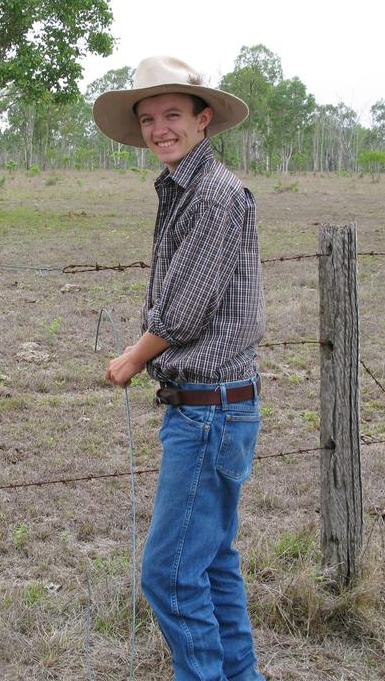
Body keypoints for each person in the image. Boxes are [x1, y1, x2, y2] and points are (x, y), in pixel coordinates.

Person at [94, 56, 266, 681]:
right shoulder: (180, 189)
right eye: (148, 119)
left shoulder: (215, 194)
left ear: (203, 118)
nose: (160, 129)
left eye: (172, 115)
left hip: (210, 409)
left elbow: (186, 310)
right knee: (212, 561)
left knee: (167, 572)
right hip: (213, 405)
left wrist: (133, 357)